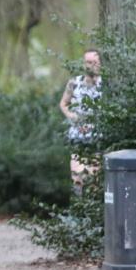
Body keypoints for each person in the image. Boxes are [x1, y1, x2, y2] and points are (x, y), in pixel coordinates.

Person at [59, 49, 102, 195]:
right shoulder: (74, 83)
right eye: (89, 62)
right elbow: (63, 104)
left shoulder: (105, 85)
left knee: (94, 177)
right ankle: (78, 208)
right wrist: (72, 117)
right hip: (77, 137)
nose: (92, 66)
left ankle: (93, 210)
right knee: (77, 177)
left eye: (95, 62)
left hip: (98, 138)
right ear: (84, 64)